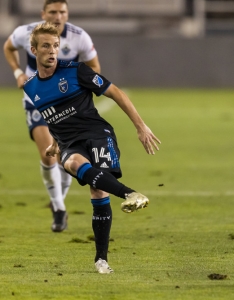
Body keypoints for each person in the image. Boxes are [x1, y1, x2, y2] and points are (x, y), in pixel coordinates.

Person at [23, 22, 161, 274]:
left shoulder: (77, 71)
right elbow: (53, 116)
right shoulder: (31, 87)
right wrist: (55, 142)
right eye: (46, 46)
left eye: (56, 46)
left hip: (97, 134)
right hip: (69, 143)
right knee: (73, 164)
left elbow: (116, 93)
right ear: (34, 50)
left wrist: (141, 127)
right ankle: (130, 194)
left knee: (97, 190)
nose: (52, 51)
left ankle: (101, 260)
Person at [3, 0, 101, 232]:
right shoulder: (27, 32)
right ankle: (58, 209)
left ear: (68, 14)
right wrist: (18, 72)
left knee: (64, 158)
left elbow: (95, 66)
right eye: (53, 12)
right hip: (36, 101)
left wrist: (78, 89)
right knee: (47, 155)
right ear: (43, 13)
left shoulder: (80, 37)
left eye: (62, 12)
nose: (58, 16)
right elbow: (8, 47)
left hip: (66, 104)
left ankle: (59, 200)